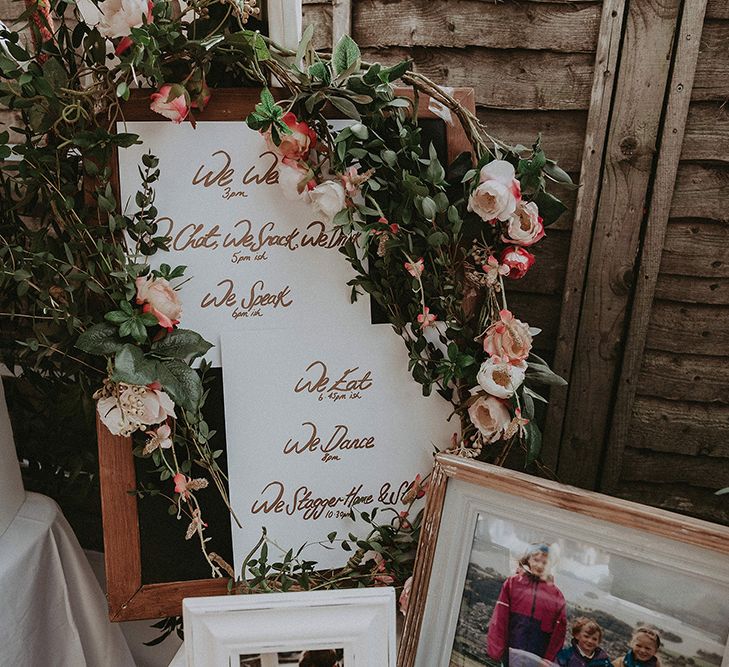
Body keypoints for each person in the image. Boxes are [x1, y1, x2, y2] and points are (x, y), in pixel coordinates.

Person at [486, 544, 567, 667]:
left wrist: (548, 661)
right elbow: (500, 619)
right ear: (528, 559)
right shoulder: (512, 584)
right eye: (536, 560)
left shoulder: (556, 595)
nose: (539, 566)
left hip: (537, 660)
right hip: (510, 653)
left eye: (545, 563)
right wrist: (497, 650)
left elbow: (558, 634)